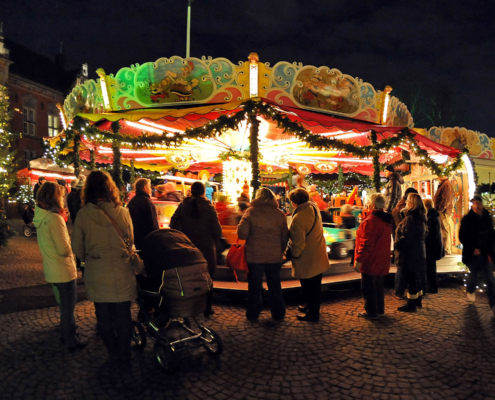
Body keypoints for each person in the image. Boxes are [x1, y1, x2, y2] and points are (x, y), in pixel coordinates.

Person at [71, 171, 137, 363]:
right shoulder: (123, 212)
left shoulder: (83, 215)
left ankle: (113, 353)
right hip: (122, 269)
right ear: (111, 189)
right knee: (123, 316)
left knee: (104, 315)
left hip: (97, 271)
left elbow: (77, 247)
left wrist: (90, 258)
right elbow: (131, 240)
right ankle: (124, 353)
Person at [33, 182, 86, 350]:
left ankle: (67, 332)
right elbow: (63, 249)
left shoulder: (42, 215)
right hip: (63, 270)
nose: (63, 198)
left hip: (52, 268)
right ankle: (70, 339)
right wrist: (72, 244)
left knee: (64, 303)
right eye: (61, 195)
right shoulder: (54, 218)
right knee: (68, 305)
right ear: (54, 197)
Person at [170, 181, 222, 316]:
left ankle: (190, 307)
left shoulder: (182, 206)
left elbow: (173, 225)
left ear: (191, 191)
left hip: (187, 248)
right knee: (207, 278)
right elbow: (217, 230)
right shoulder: (209, 207)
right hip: (206, 249)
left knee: (188, 277)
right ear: (204, 192)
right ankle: (207, 308)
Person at [237, 187, 289, 322]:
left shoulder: (250, 212)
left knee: (254, 286)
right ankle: (278, 313)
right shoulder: (279, 214)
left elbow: (242, 234)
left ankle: (253, 314)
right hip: (274, 256)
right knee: (275, 286)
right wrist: (280, 250)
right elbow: (285, 237)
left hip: (255, 256)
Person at [288, 188, 329, 322]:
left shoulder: (298, 218)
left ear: (295, 202)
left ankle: (312, 314)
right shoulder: (314, 209)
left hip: (307, 258)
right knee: (315, 286)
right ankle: (311, 308)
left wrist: (293, 254)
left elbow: (299, 244)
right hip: (318, 254)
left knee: (309, 287)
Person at [353, 194, 392, 319]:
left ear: (373, 205)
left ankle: (371, 312)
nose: (367, 204)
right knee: (379, 286)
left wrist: (359, 260)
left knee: (368, 287)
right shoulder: (386, 220)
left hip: (371, 260)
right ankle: (380, 309)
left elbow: (366, 243)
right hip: (381, 259)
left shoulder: (371, 222)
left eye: (368, 202)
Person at [459, 195, 495, 315]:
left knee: (490, 279)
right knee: (473, 274)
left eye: (478, 203)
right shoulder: (467, 219)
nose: (476, 206)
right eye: (474, 203)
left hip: (485, 253)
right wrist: (472, 248)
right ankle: (470, 290)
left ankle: (493, 304)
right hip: (473, 253)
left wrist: (490, 249)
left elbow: (491, 234)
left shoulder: (487, 217)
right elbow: (463, 236)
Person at [394, 193, 427, 312]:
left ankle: (411, 304)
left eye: (407, 200)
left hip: (409, 254)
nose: (406, 202)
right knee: (415, 277)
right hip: (417, 252)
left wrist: (397, 245)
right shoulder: (420, 217)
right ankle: (417, 300)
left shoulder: (410, 219)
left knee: (410, 278)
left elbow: (406, 237)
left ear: (412, 204)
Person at [392, 187, 419, 298]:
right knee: (402, 267)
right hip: (404, 242)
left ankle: (401, 291)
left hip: (403, 240)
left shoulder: (401, 207)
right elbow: (403, 227)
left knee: (403, 266)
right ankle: (400, 291)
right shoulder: (404, 210)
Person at [127, 178, 159, 253]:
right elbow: (153, 222)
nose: (150, 189)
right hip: (148, 237)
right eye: (149, 187)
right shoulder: (147, 202)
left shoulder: (132, 202)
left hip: (136, 237)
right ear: (145, 187)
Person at [424, 199, 444, 294]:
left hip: (432, 248)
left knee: (430, 268)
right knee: (431, 267)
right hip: (434, 247)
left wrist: (425, 239)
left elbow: (432, 234)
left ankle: (433, 287)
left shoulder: (432, 218)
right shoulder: (433, 217)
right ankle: (432, 286)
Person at [433, 175, 454, 255]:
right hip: (442, 211)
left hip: (444, 212)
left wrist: (440, 209)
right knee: (443, 230)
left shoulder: (446, 185)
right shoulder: (444, 184)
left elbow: (446, 199)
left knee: (444, 230)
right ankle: (444, 248)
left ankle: (446, 249)